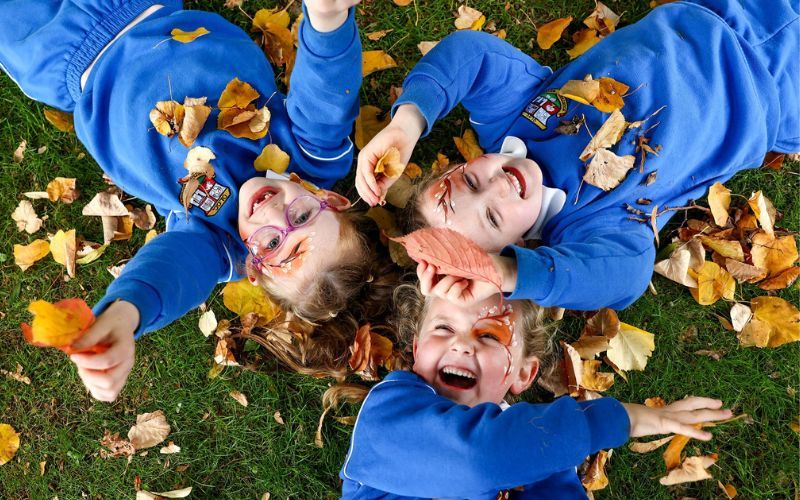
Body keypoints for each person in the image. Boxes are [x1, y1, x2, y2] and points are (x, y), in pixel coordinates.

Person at [0, 0, 370, 401]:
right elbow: (326, 100)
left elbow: (177, 270)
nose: (274, 213)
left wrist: (126, 313)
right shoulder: (311, 155)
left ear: (253, 267)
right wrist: (329, 19)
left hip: (64, 56)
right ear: (330, 199)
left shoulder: (218, 243)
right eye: (301, 216)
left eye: (273, 244)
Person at [355, 0, 799, 311]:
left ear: (459, 166)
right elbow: (625, 277)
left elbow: (470, 55)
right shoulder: (588, 227)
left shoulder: (509, 122)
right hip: (776, 93)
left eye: (470, 181)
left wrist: (407, 121)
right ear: (517, 247)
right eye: (492, 217)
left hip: (714, 11)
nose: (497, 185)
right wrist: (509, 275)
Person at [339, 283, 734, 498]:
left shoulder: (539, 447)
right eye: (443, 328)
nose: (461, 345)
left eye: (489, 336)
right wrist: (619, 419)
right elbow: (480, 455)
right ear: (416, 349)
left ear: (524, 374)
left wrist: (550, 468)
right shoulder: (388, 412)